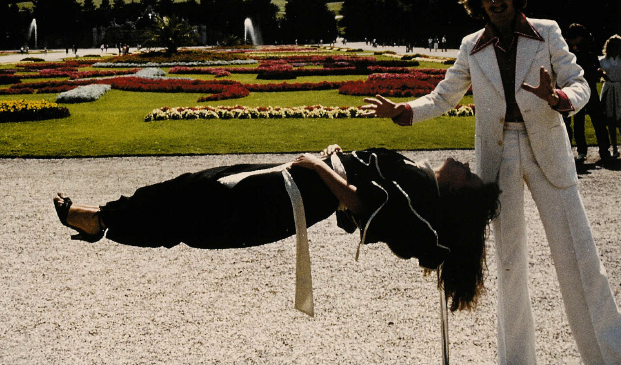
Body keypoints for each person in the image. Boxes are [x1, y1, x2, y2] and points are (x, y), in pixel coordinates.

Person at [364, 0, 621, 363]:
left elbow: (580, 83)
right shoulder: (472, 45)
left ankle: (609, 355)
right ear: (478, 3)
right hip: (497, 158)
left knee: (579, 256)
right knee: (509, 264)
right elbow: (444, 95)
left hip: (548, 151)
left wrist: (559, 99)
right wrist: (403, 110)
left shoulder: (547, 31)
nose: (497, 2)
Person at [55, 144, 501, 313]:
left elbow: (363, 206)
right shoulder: (421, 181)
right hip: (300, 188)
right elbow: (363, 192)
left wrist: (319, 167)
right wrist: (336, 158)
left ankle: (103, 221)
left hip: (297, 190)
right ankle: (105, 218)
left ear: (459, 191)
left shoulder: (423, 188)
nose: (466, 164)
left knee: (196, 205)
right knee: (194, 199)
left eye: (472, 176)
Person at [564, 23, 611, 164]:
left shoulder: (587, 47)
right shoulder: (572, 50)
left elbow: (595, 64)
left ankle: (603, 150)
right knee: (580, 121)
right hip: (579, 88)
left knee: (597, 120)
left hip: (589, 87)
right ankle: (582, 150)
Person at [600, 34, 621, 159]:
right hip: (609, 89)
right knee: (611, 120)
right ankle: (614, 148)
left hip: (620, 89)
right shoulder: (603, 60)